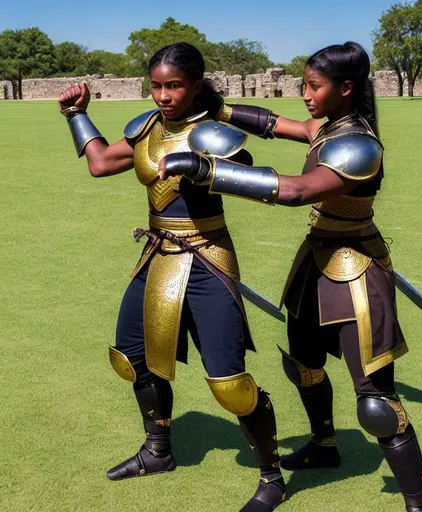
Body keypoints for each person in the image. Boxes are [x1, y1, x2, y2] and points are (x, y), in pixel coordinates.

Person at [159, 42, 422, 512]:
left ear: (346, 89)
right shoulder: (328, 129)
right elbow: (276, 125)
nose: (304, 94)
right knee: (303, 363)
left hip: (356, 270)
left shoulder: (359, 146)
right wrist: (221, 107)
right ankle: (325, 445)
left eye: (314, 86)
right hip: (315, 262)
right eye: (303, 84)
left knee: (376, 404)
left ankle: (420, 502)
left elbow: (297, 190)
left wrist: (209, 171)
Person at [58, 42, 287, 512]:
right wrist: (76, 115)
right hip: (158, 255)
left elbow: (262, 183)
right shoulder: (145, 127)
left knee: (230, 384)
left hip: (206, 258)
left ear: (196, 84)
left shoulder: (214, 132)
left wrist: (206, 167)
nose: (163, 95)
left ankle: (272, 477)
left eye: (174, 86)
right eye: (157, 86)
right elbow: (101, 163)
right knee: (131, 357)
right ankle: (157, 450)